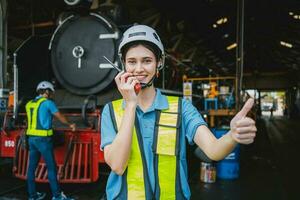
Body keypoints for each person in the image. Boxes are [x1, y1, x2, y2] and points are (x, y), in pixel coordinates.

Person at [100, 24, 257, 200]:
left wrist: (232, 135)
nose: (138, 69)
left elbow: (213, 150)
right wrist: (130, 104)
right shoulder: (111, 111)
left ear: (159, 63)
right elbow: (117, 165)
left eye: (147, 60)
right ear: (123, 64)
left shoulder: (182, 108)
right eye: (131, 62)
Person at [26, 81, 76, 200]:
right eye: (51, 92)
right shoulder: (48, 103)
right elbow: (59, 116)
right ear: (47, 92)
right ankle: (57, 196)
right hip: (43, 140)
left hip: (31, 139)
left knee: (31, 168)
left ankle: (32, 196)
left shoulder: (29, 104)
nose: (52, 94)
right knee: (51, 167)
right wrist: (70, 125)